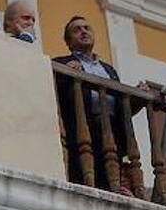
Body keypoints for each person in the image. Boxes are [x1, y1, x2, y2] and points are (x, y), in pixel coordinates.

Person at [52, 16, 129, 191]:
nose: (83, 31)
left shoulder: (109, 70)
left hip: (110, 131)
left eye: (87, 28)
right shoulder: (61, 63)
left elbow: (118, 103)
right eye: (77, 30)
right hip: (82, 130)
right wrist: (66, 73)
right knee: (84, 178)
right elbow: (53, 92)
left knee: (110, 180)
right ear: (69, 42)